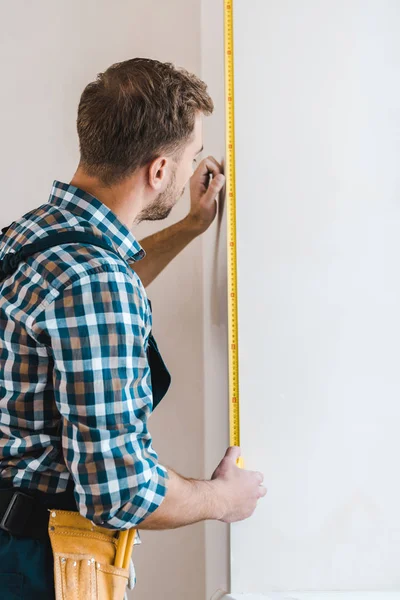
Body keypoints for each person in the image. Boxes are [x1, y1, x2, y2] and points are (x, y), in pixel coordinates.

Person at [0, 58, 266, 598]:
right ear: (159, 170)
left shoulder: (30, 235)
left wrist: (191, 227)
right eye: (191, 156)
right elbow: (118, 491)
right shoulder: (97, 285)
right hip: (42, 565)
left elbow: (94, 284)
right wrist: (222, 498)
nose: (193, 168)